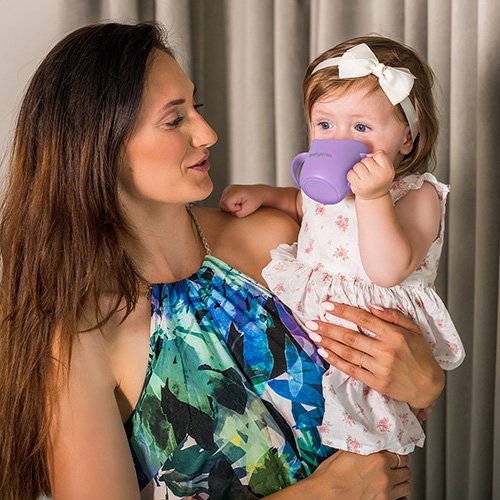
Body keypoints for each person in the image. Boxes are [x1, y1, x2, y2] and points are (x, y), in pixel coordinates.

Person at [0, 24, 444, 500]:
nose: (208, 133)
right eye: (175, 120)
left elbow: (381, 401)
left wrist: (425, 383)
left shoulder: (276, 244)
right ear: (98, 148)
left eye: (198, 107)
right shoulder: (82, 337)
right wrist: (327, 493)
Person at [220, 36, 464, 456]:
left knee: (357, 442)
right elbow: (303, 204)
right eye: (325, 125)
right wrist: (265, 194)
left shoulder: (417, 195)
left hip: (369, 345)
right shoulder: (327, 188)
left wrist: (373, 197)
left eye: (361, 128)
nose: (337, 141)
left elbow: (388, 269)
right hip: (306, 331)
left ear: (406, 139)